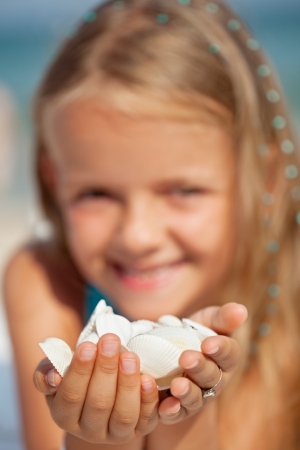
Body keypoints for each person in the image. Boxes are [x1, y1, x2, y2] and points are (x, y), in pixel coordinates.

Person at [3, 0, 300, 449]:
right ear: (54, 180)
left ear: (268, 182)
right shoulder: (45, 283)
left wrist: (183, 416)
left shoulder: (292, 307)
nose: (138, 236)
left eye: (183, 191)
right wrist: (97, 438)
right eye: (96, 194)